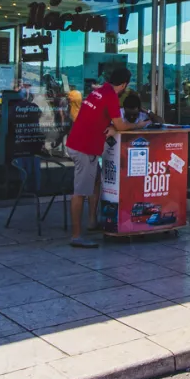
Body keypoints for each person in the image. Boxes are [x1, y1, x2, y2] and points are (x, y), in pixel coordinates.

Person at [65, 67, 151, 248]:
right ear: (124, 84)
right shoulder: (111, 96)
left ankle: (91, 222)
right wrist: (139, 125)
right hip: (84, 148)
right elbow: (121, 125)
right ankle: (76, 235)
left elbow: (99, 117)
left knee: (95, 181)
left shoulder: (98, 92)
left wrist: (111, 125)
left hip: (77, 142)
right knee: (80, 192)